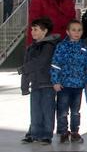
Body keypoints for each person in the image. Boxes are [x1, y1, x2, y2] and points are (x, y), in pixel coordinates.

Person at [50, 19, 87, 143]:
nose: (76, 32)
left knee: (75, 111)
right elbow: (55, 65)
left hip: (78, 86)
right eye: (73, 30)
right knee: (63, 111)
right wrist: (55, 81)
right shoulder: (61, 46)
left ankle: (75, 132)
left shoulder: (84, 47)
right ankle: (64, 132)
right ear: (67, 32)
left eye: (79, 30)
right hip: (63, 86)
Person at [19, 17, 60, 145]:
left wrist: (23, 68)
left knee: (47, 110)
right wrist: (24, 85)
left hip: (48, 84)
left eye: (36, 29)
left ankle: (47, 134)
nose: (32, 32)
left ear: (45, 31)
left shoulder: (49, 46)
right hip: (36, 84)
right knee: (35, 110)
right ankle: (34, 133)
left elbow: (41, 62)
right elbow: (27, 65)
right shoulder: (31, 47)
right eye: (32, 29)